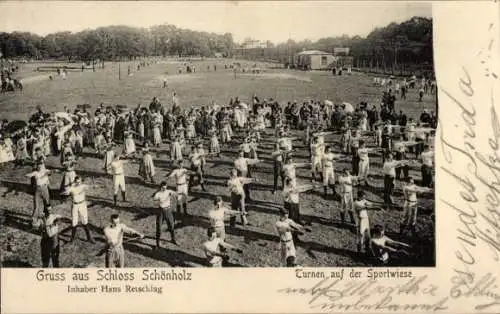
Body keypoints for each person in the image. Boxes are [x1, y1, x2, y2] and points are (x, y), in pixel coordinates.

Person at [62, 176, 94, 243]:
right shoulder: (72, 188)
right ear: (75, 182)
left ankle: (89, 238)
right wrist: (66, 191)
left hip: (82, 205)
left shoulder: (83, 186)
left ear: (81, 181)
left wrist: (94, 185)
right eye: (77, 182)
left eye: (79, 182)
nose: (78, 183)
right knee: (74, 222)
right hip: (75, 205)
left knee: (85, 222)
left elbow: (91, 186)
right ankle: (72, 239)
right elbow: (65, 192)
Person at [152, 181, 177, 247]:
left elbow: (175, 194)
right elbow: (154, 200)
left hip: (168, 211)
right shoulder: (158, 194)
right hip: (161, 211)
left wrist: (175, 194)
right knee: (159, 228)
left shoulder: (168, 191)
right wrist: (157, 198)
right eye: (163, 188)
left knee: (171, 226)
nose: (164, 189)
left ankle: (173, 239)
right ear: (160, 187)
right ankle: (157, 243)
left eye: (165, 188)